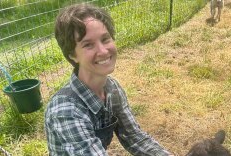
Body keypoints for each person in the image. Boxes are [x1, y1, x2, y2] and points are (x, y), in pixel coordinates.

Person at [44, 3, 173, 156]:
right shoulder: (66, 110)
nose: (103, 51)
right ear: (72, 55)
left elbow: (134, 137)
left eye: (105, 39)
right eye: (88, 45)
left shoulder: (112, 89)